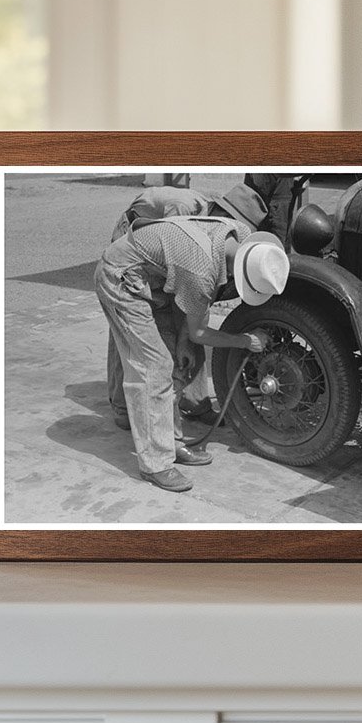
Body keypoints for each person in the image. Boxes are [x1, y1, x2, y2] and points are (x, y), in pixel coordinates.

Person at [95, 217, 289, 492]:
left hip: (155, 278)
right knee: (154, 366)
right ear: (239, 274)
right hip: (121, 278)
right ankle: (156, 465)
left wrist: (184, 341)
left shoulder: (241, 234)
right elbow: (200, 331)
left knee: (176, 360)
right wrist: (244, 340)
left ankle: (171, 444)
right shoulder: (201, 271)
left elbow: (195, 311)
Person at [106, 183, 268, 429]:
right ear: (223, 214)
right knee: (129, 331)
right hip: (129, 246)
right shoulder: (183, 211)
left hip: (169, 259)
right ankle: (122, 405)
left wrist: (189, 330)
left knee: (191, 317)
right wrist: (242, 339)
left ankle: (195, 402)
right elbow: (185, 277)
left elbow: (196, 310)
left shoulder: (217, 237)